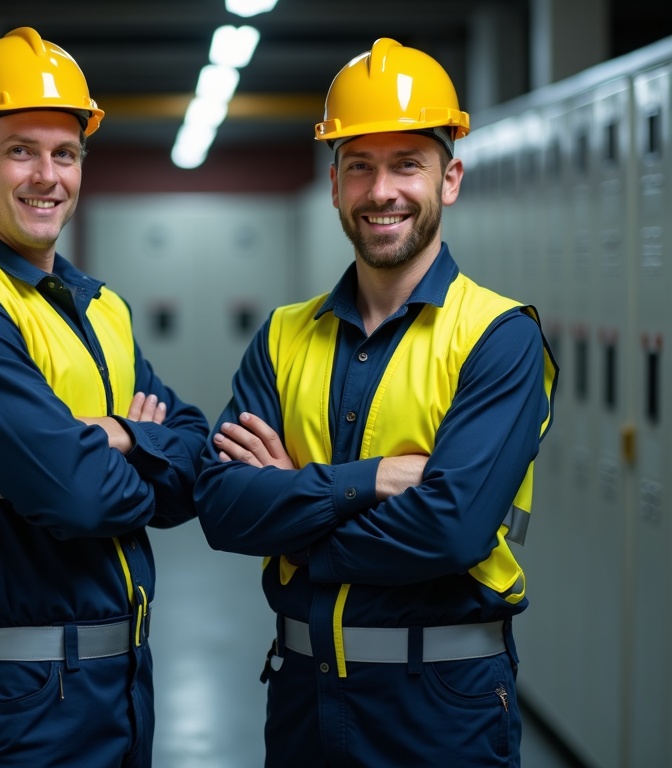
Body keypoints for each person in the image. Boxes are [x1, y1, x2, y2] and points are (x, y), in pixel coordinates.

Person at [193, 38, 558, 767]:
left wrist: (293, 523)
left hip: (441, 709)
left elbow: (450, 533)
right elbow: (223, 506)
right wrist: (372, 482)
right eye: (359, 166)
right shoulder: (284, 336)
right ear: (334, 184)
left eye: (406, 165)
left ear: (449, 179)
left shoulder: (497, 336)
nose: (381, 190)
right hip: (302, 696)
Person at [0, 27, 209, 767]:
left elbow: (198, 466)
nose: (47, 176)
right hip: (15, 702)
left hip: (118, 684)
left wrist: (117, 436)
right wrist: (139, 448)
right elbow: (80, 499)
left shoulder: (99, 308)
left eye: (66, 153)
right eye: (21, 150)